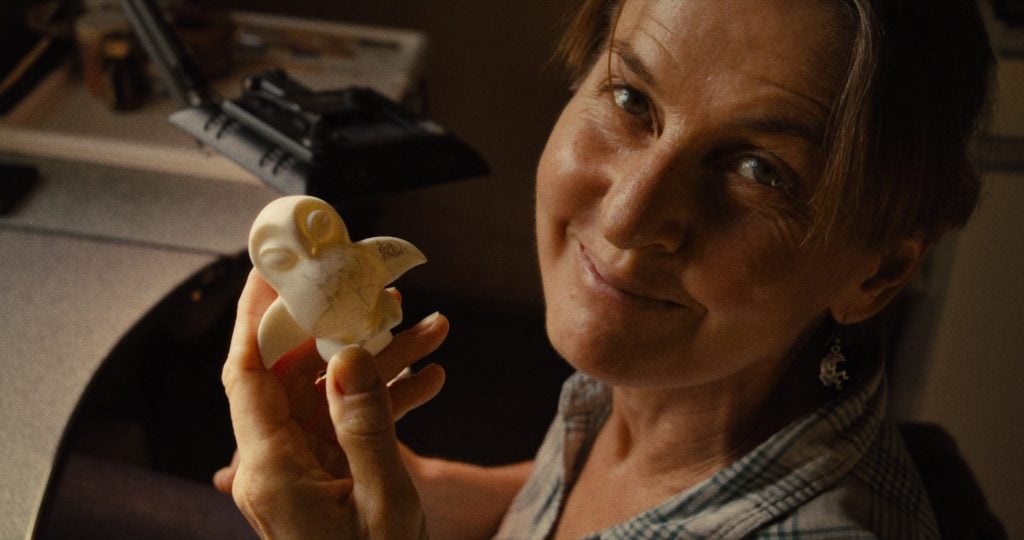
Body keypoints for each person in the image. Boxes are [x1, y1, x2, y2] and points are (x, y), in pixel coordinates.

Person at [214, 0, 995, 537]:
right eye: (631, 99)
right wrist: (426, 491)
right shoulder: (676, 382)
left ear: (879, 274)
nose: (628, 218)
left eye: (760, 171)